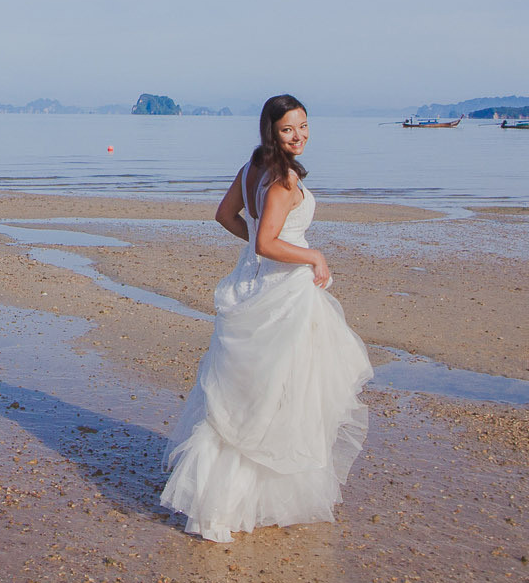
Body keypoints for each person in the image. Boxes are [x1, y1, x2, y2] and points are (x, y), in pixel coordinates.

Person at [159, 95, 374, 543]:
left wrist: (258, 237)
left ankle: (239, 500)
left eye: (303, 126)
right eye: (287, 130)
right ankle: (238, 503)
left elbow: (227, 216)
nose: (298, 136)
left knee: (252, 398)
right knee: (278, 397)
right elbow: (267, 243)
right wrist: (312, 254)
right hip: (282, 293)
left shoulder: (253, 166)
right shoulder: (281, 179)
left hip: (255, 287)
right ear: (271, 132)